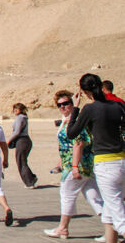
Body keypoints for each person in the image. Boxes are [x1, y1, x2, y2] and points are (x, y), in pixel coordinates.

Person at [67, 73, 125, 243]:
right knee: (109, 212)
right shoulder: (117, 106)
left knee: (119, 218)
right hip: (122, 160)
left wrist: (75, 108)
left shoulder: (90, 109)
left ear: (85, 92)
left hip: (106, 164)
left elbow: (71, 133)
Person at [43, 89, 104, 239]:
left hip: (76, 166)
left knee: (67, 195)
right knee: (94, 197)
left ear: (72, 104)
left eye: (66, 103)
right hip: (81, 166)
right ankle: (114, 227)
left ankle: (63, 228)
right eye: (59, 105)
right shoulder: (66, 121)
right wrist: (60, 163)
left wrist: (75, 167)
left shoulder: (76, 121)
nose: (63, 107)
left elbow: (79, 144)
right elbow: (66, 147)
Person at [7, 102, 37, 188]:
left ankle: (30, 182)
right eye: (14, 108)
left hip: (22, 140)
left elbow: (17, 132)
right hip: (25, 141)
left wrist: (8, 141)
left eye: (17, 108)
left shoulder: (20, 118)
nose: (15, 110)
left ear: (21, 109)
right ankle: (31, 178)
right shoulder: (23, 117)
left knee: (21, 162)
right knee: (23, 161)